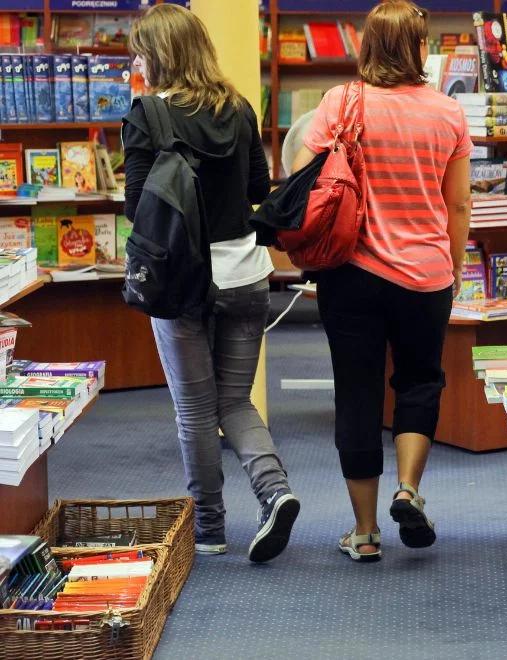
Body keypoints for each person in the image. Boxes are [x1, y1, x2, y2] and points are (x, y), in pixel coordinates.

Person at [292, 0, 471, 563]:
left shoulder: (338, 104)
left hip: (351, 273)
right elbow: (459, 203)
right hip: (425, 274)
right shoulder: (447, 113)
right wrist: (456, 265)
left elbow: (305, 182)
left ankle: (365, 532)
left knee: (358, 391)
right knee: (420, 381)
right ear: (419, 49)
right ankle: (408, 489)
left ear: (367, 45)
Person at [123, 4, 300, 563]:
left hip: (181, 283)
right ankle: (276, 493)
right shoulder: (240, 108)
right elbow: (258, 186)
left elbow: (136, 205)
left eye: (140, 50)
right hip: (246, 276)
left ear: (158, 55)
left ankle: (210, 528)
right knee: (235, 402)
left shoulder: (147, 116)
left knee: (195, 410)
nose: (136, 60)